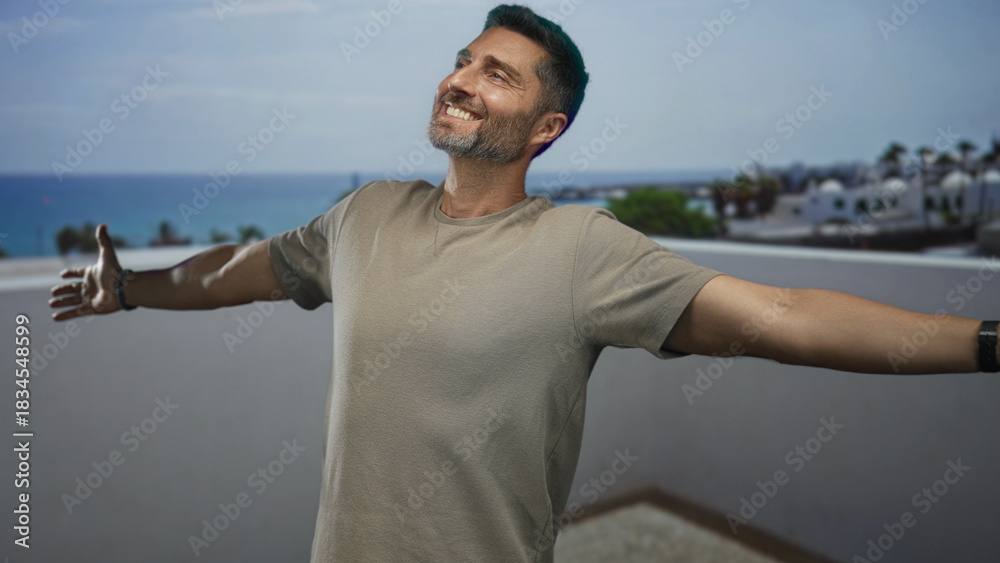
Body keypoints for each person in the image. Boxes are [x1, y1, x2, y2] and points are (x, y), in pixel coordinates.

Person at [48, 4, 998, 562]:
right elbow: (232, 273)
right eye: (462, 60)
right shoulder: (364, 214)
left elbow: (784, 316)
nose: (459, 79)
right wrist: (131, 288)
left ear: (546, 129)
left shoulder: (586, 248)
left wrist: (986, 342)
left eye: (496, 74)